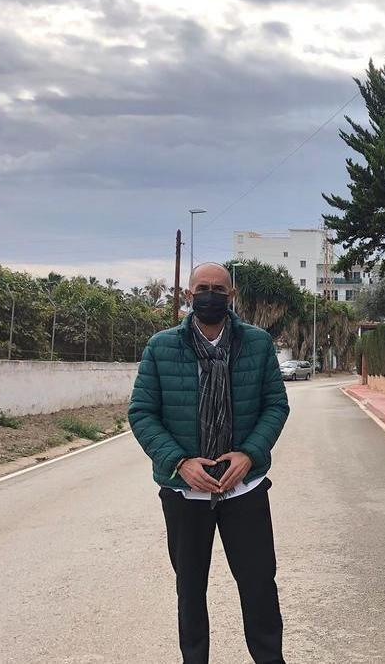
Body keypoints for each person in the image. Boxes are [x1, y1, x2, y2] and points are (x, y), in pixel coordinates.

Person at [129, 262, 291, 664]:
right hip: (186, 494)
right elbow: (142, 413)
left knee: (258, 588)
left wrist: (249, 453)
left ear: (232, 296)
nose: (210, 294)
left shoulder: (257, 343)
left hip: (245, 490)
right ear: (188, 296)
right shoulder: (161, 347)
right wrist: (179, 462)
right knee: (190, 590)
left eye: (219, 288)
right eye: (202, 287)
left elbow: (275, 405)